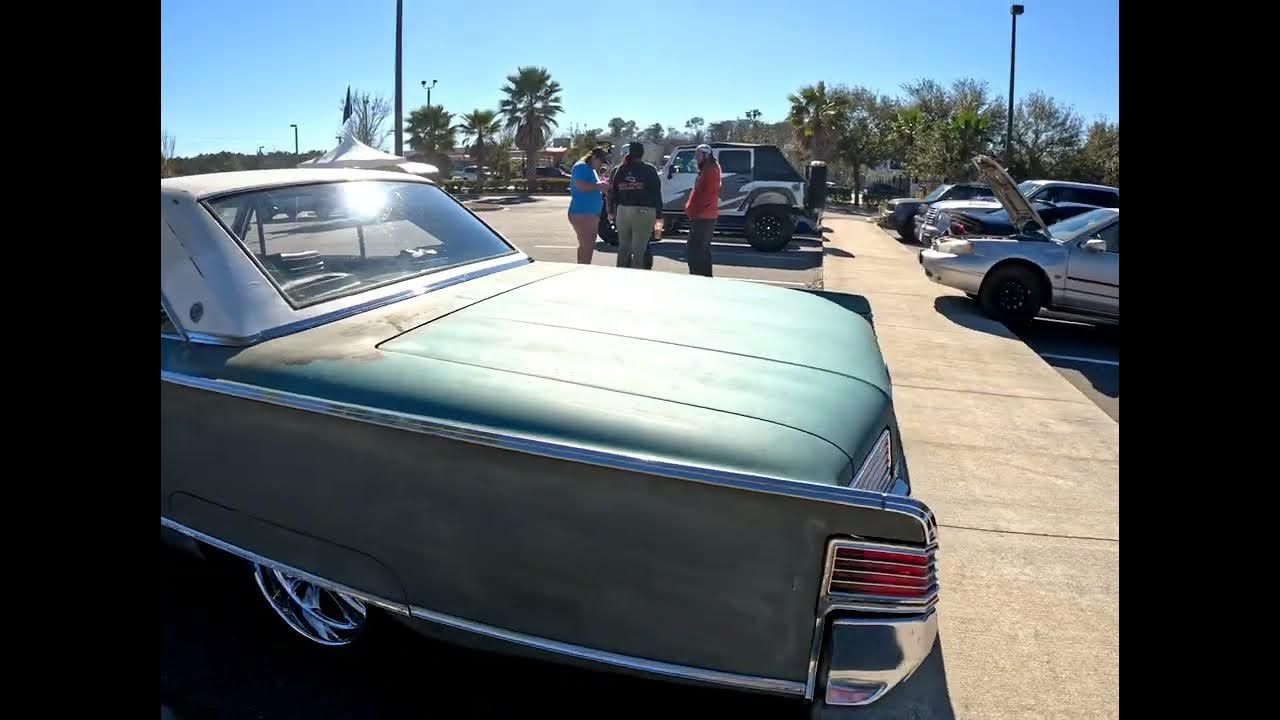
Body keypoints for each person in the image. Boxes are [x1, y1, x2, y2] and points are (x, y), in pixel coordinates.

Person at [607, 142, 663, 270]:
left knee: (623, 247)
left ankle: (621, 274)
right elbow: (656, 195)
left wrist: (611, 211)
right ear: (642, 154)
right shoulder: (649, 170)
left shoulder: (619, 170)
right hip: (644, 211)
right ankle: (636, 277)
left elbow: (612, 192)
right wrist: (659, 218)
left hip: (623, 211)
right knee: (639, 250)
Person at [566, 147, 610, 264]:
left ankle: (583, 266)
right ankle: (584, 267)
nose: (601, 165)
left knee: (587, 244)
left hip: (589, 213)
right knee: (587, 244)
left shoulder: (591, 170)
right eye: (600, 162)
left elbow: (592, 185)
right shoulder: (581, 167)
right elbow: (580, 185)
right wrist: (599, 186)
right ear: (594, 157)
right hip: (582, 212)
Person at [683, 144, 720, 277]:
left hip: (703, 216)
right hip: (703, 215)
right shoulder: (706, 169)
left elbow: (704, 195)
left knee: (695, 252)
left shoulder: (710, 171)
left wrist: (694, 210)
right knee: (701, 251)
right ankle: (703, 277)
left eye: (698, 154)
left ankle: (699, 278)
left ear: (706, 155)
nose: (696, 157)